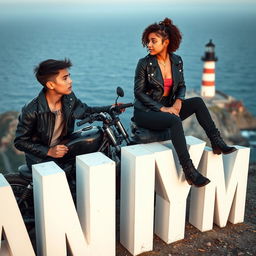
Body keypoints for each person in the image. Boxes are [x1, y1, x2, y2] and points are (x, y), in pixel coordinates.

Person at [133, 18, 236, 187]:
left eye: (153, 41)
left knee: (197, 102)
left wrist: (178, 102)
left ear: (165, 42)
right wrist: (163, 108)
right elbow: (138, 93)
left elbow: (181, 85)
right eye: (148, 41)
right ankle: (189, 171)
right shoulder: (144, 63)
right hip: (145, 113)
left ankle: (217, 142)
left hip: (168, 108)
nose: (149, 45)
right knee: (174, 120)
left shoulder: (177, 61)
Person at [14, 59, 111, 171]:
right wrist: (49, 151)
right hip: (40, 158)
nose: (70, 81)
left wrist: (109, 108)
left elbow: (85, 110)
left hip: (63, 148)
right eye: (65, 78)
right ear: (50, 84)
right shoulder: (32, 110)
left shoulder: (69, 98)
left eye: (69, 76)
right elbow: (20, 142)